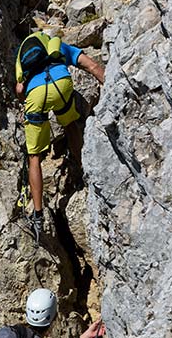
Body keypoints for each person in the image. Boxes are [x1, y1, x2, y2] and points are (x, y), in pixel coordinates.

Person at [14, 30, 106, 242]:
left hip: (36, 95)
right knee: (71, 124)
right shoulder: (57, 46)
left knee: (34, 156)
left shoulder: (21, 55)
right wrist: (112, 89)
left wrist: (26, 98)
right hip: (61, 83)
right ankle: (85, 173)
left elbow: (19, 89)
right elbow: (92, 66)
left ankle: (37, 216)